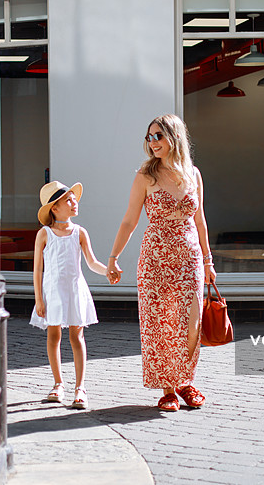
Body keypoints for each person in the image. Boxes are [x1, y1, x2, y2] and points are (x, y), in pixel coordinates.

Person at [107, 114, 216, 412]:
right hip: (155, 257)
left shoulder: (193, 174)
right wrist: (113, 258)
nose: (152, 142)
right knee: (159, 322)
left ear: (174, 137)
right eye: (149, 137)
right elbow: (130, 220)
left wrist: (208, 260)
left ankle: (186, 380)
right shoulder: (145, 175)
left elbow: (201, 220)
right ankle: (168, 387)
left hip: (189, 257)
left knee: (190, 322)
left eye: (158, 136)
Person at [31, 180, 108, 409]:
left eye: (74, 199)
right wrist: (38, 298)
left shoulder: (80, 232)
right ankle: (58, 383)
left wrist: (108, 271)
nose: (74, 202)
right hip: (52, 291)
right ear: (54, 207)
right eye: (68, 200)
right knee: (53, 336)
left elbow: (92, 262)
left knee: (77, 337)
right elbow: (37, 269)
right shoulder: (44, 234)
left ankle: (80, 388)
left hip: (75, 290)